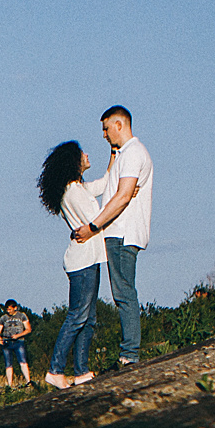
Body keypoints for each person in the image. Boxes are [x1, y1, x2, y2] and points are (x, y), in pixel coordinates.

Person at [71, 105, 152, 368]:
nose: (104, 135)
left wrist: (93, 227)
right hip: (119, 232)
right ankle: (129, 352)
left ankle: (130, 354)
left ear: (119, 125)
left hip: (123, 232)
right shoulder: (125, 154)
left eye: (106, 128)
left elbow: (122, 196)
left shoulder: (133, 153)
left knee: (124, 292)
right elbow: (113, 184)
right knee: (122, 292)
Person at [39, 139, 107, 386]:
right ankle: (56, 369)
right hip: (84, 260)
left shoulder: (77, 188)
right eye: (82, 154)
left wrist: (115, 158)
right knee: (78, 316)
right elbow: (97, 220)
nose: (87, 155)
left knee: (88, 318)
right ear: (73, 161)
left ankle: (81, 371)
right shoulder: (74, 192)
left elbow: (102, 185)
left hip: (89, 258)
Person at [0, 299, 34, 388]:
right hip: (7, 343)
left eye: (10, 309)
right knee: (8, 364)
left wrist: (18, 335)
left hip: (19, 342)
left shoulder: (22, 316)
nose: (8, 311)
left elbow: (28, 329)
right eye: (7, 309)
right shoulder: (3, 318)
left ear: (15, 308)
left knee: (22, 361)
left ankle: (28, 381)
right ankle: (10, 385)